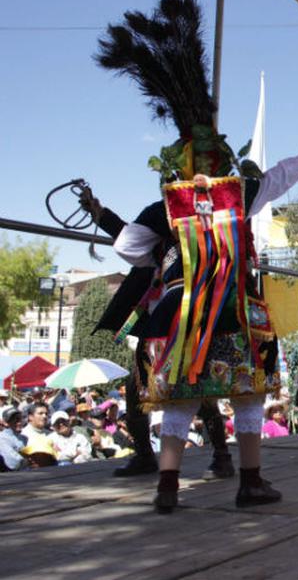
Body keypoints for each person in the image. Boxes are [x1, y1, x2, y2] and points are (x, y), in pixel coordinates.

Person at [95, 0, 298, 513]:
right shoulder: (238, 196)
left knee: (180, 399)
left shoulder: (166, 205)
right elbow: (278, 179)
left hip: (177, 318)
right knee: (246, 394)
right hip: (232, 312)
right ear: (221, 159)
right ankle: (250, 483)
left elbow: (130, 248)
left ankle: (167, 488)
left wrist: (166, 255)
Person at [78, 187, 237, 482]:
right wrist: (97, 212)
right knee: (137, 388)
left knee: (197, 389)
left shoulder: (203, 243)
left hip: (187, 324)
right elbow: (127, 234)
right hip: (153, 324)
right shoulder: (154, 243)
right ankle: (144, 455)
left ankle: (222, 455)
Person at [0, 407, 27, 472]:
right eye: (14, 420)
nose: (19, 422)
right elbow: (13, 463)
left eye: (20, 419)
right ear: (6, 423)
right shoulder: (2, 438)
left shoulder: (24, 438)